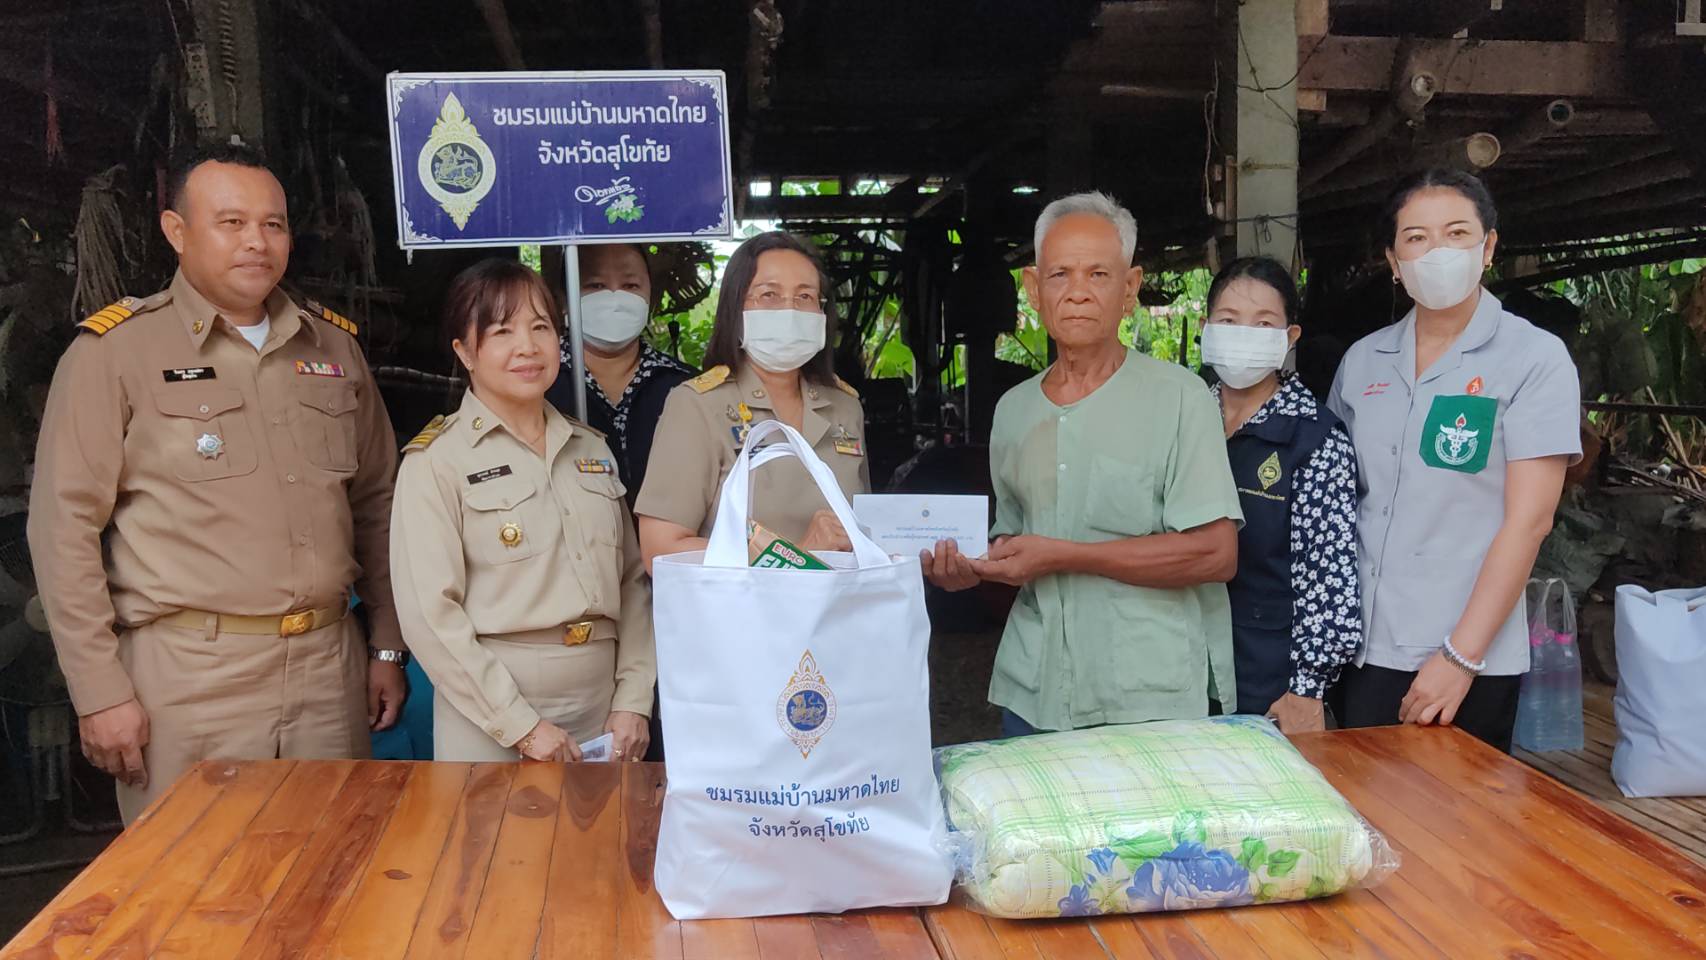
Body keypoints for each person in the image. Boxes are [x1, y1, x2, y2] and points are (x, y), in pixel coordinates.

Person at [27, 143, 406, 822]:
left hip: (327, 669)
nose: (256, 242)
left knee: (330, 878)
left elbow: (378, 505)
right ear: (177, 232)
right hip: (190, 679)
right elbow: (63, 531)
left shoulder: (333, 349)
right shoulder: (115, 353)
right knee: (190, 895)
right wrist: (99, 692)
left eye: (273, 224)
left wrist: (385, 643)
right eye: (231, 223)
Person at [924, 191, 1243, 736]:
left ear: (1130, 289)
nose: (1076, 294)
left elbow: (1216, 554)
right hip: (1035, 687)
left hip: (1146, 694)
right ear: (1033, 289)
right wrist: (967, 569)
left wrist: (1063, 555)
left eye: (1098, 275)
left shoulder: (1180, 397)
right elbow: (1015, 542)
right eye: (1059, 276)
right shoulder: (1014, 410)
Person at [1328, 168, 1581, 753]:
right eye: (1416, 238)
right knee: (1369, 820)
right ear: (1393, 260)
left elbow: (1530, 521)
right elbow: (1339, 500)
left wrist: (1460, 657)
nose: (1436, 251)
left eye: (1457, 233)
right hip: (1363, 643)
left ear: (1488, 247)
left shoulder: (1533, 360)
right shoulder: (1363, 361)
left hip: (1467, 656)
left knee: (1455, 832)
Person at [390, 259, 654, 762]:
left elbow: (633, 584)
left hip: (603, 709)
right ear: (465, 351)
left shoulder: (590, 449)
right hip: (492, 714)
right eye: (502, 331)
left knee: (598, 841)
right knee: (496, 842)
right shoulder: (437, 461)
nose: (527, 347)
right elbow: (430, 617)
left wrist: (634, 701)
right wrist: (523, 728)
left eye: (540, 327)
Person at [636, 232, 869, 567]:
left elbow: (867, 533)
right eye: (769, 295)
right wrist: (794, 555)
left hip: (842, 614)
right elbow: (661, 549)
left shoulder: (845, 407)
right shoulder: (698, 406)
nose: (790, 309)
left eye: (805, 297)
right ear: (736, 307)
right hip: (740, 616)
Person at [1202, 257, 1361, 734]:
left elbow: (1329, 578)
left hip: (1269, 682)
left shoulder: (1314, 437)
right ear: (1206, 328)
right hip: (1182, 668)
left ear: (1289, 337)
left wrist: (1306, 690)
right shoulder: (1184, 419)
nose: (1243, 334)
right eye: (1228, 321)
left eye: (1263, 323)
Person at [544, 242, 696, 510]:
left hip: (670, 546)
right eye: (596, 285)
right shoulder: (540, 385)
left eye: (630, 286)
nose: (614, 297)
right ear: (564, 298)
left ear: (651, 296)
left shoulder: (686, 385)